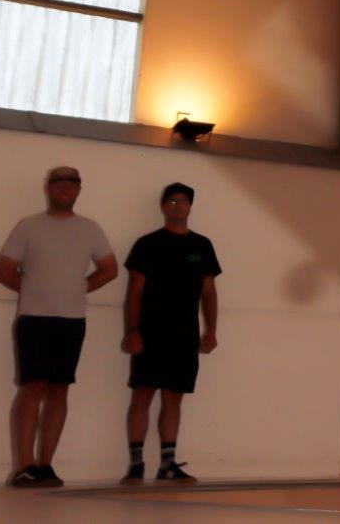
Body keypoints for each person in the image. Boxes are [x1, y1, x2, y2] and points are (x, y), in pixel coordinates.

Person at [0, 166, 117, 488]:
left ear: (79, 189)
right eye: (58, 183)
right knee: (32, 387)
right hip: (34, 320)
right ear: (49, 188)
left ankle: (46, 465)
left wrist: (79, 289)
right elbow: (4, 270)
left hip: (72, 320)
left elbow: (109, 269)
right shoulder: (29, 226)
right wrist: (34, 291)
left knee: (60, 389)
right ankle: (23, 466)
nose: (65, 189)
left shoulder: (90, 229)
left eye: (71, 184)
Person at [120, 182, 221, 485]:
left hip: (184, 334)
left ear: (191, 207)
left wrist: (211, 331)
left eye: (183, 202)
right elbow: (134, 292)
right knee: (142, 395)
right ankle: (136, 464)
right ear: (163, 206)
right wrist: (133, 330)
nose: (178, 206)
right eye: (172, 201)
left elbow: (209, 292)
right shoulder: (147, 244)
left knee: (173, 398)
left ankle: (167, 464)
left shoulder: (202, 246)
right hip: (149, 332)